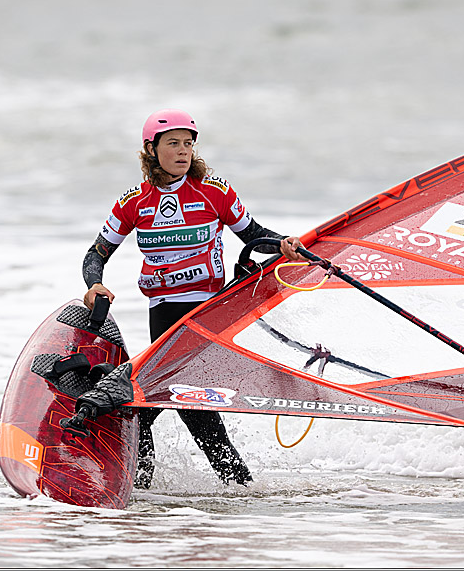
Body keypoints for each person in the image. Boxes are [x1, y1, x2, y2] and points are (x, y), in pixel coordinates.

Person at [81, 109, 303, 489]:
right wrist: (94, 284)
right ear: (151, 149)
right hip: (164, 312)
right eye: (173, 144)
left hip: (209, 309)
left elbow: (253, 234)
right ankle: (236, 488)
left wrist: (284, 245)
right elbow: (96, 254)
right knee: (175, 401)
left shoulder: (213, 191)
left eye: (188, 144)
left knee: (156, 398)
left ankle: (139, 487)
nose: (183, 151)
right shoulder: (134, 201)